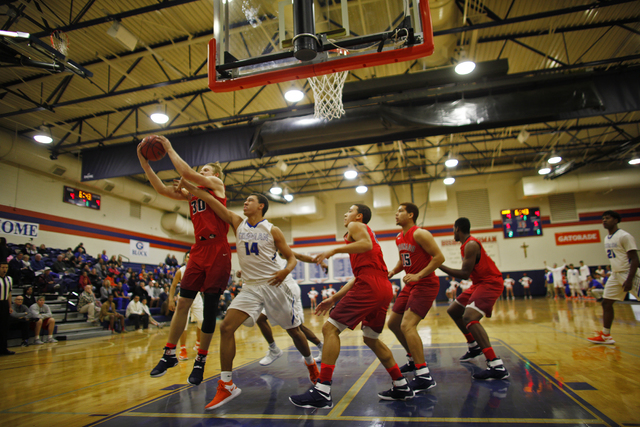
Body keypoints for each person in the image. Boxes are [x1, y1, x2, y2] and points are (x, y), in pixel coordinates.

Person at [177, 180, 319, 410]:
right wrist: (192, 189)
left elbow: (291, 258)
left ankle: (311, 364)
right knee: (226, 327)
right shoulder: (237, 222)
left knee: (294, 330)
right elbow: (211, 201)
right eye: (245, 200)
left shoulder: (273, 230)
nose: (245, 202)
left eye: (250, 200)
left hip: (274, 285)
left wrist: (285, 271)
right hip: (251, 287)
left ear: (261, 206)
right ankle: (226, 384)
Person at [290, 204, 410, 409]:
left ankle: (322, 390)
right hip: (381, 287)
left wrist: (334, 249)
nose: (346, 214)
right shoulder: (364, 234)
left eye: (349, 211)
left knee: (329, 328)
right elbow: (361, 275)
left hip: (370, 286)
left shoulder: (356, 226)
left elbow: (366, 245)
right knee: (371, 338)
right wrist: (333, 298)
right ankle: (400, 384)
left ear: (359, 216)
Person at [141, 136, 231, 387]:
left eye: (205, 170)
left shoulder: (215, 184)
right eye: (201, 170)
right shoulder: (192, 195)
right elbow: (160, 189)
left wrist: (168, 148)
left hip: (219, 249)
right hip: (199, 249)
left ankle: (200, 361)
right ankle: (169, 353)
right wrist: (144, 162)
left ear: (214, 175)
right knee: (183, 303)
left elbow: (187, 173)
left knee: (211, 308)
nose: (201, 173)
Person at [438, 217, 509, 381]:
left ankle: (495, 364)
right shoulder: (465, 245)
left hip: (490, 282)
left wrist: (438, 265)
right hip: (479, 283)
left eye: (453, 230)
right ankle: (473, 345)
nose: (452, 233)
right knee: (454, 310)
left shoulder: (470, 244)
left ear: (457, 229)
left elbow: (464, 274)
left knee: (469, 317)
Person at [386, 202, 445, 393]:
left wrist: (419, 275)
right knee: (394, 323)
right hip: (410, 284)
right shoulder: (399, 237)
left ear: (411, 215)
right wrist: (394, 270)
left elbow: (439, 257)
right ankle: (412, 359)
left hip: (425, 284)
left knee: (407, 325)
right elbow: (405, 259)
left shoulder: (420, 233)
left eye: (400, 211)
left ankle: (424, 375)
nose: (396, 214)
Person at [588, 211, 639, 344]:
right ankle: (606, 335)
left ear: (616, 220)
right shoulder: (607, 238)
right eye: (603, 218)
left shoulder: (624, 236)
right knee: (606, 302)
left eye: (608, 218)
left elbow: (635, 259)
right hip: (616, 275)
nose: (604, 220)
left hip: (629, 273)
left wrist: (629, 279)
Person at [1, 262, 15, 355]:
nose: (4, 269)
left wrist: (10, 306)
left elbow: (9, 294)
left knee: (4, 327)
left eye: (6, 267)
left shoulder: (9, 279)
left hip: (4, 304)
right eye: (2, 267)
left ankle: (3, 348)